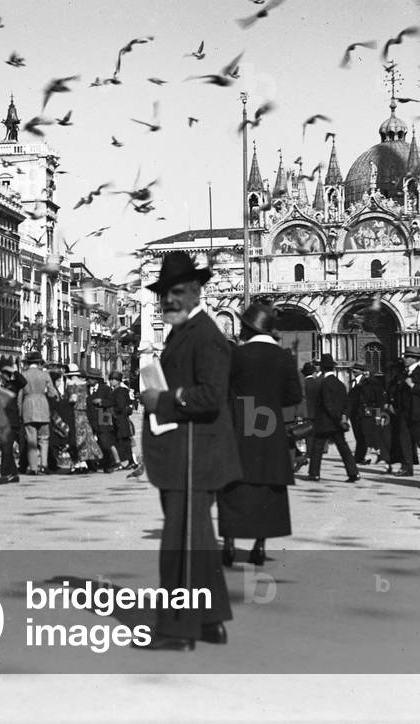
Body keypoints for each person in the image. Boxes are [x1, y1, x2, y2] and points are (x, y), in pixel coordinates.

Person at [137, 251, 238, 651]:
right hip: (187, 453)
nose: (169, 301)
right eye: (164, 294)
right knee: (195, 539)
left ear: (196, 292)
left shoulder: (205, 336)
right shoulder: (185, 332)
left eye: (178, 292)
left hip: (194, 456)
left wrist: (161, 399)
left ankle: (177, 630)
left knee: (179, 543)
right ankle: (210, 621)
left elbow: (211, 396)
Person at [218, 302, 302, 567]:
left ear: (247, 328)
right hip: (270, 432)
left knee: (233, 488)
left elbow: (222, 390)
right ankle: (259, 546)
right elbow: (294, 396)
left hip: (239, 427)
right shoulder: (284, 357)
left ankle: (230, 544)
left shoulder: (237, 355)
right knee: (268, 490)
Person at [307, 353, 360, 483]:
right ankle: (353, 472)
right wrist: (343, 418)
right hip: (337, 423)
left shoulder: (323, 383)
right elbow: (347, 403)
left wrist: (336, 417)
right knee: (343, 448)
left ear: (323, 368)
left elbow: (327, 404)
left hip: (325, 421)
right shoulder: (340, 384)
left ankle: (314, 473)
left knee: (317, 448)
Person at [18, 351, 57, 475]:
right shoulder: (45, 375)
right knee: (44, 439)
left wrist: (20, 411)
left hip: (28, 406)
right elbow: (52, 393)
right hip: (43, 407)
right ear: (39, 362)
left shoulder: (23, 375)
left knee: (31, 439)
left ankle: (33, 467)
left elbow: (19, 396)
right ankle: (44, 465)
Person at [0, 357, 26, 483]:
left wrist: (14, 371)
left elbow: (23, 382)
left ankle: (4, 475)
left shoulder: (14, 385)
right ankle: (14, 474)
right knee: (5, 447)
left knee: (6, 448)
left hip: (11, 421)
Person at [64, 366, 101, 474]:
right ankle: (83, 463)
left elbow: (72, 400)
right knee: (84, 439)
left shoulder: (72, 386)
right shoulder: (85, 387)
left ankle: (77, 464)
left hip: (74, 414)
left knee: (74, 439)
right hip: (84, 415)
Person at [397, 346, 420, 477]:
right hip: (404, 412)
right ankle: (406, 468)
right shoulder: (404, 373)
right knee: (404, 441)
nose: (404, 359)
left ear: (415, 359)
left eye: (407, 357)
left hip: (417, 413)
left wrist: (413, 386)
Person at [109, 371, 137, 469]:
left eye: (114, 380)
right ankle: (130, 461)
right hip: (122, 419)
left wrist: (112, 409)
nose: (112, 381)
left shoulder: (119, 391)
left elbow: (120, 406)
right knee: (124, 442)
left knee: (123, 442)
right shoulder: (122, 390)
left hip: (120, 419)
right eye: (111, 379)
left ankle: (130, 462)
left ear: (118, 381)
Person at [347, 362, 372, 465]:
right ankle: (359, 457)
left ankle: (361, 457)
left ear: (361, 371)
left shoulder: (366, 382)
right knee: (358, 435)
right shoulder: (352, 382)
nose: (354, 371)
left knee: (363, 435)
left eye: (356, 369)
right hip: (354, 413)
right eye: (353, 369)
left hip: (363, 413)